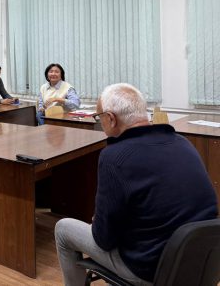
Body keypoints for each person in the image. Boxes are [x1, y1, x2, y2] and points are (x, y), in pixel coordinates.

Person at [55, 83, 218, 286]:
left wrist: (100, 222)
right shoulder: (182, 142)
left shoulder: (114, 156)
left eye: (99, 117)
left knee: (63, 229)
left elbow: (104, 239)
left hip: (150, 270)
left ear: (111, 118)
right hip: (200, 264)